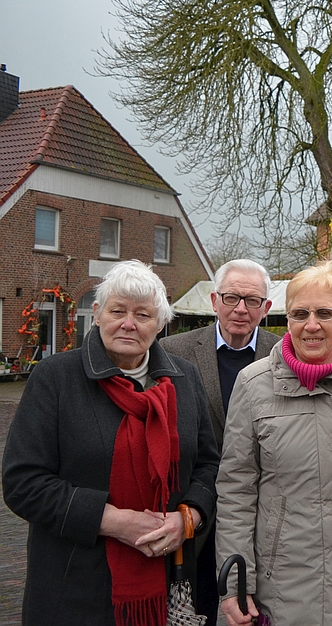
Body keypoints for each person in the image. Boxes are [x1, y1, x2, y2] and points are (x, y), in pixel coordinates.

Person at [2, 260, 219, 626]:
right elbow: (23, 483)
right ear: (99, 314)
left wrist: (188, 517)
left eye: (143, 314)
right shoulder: (55, 378)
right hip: (74, 584)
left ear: (160, 324)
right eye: (118, 310)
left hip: (167, 579)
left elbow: (209, 466)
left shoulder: (184, 379)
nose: (129, 323)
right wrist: (114, 521)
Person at [216, 259, 332, 625]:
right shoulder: (254, 385)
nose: (311, 325)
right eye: (300, 313)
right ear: (287, 321)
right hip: (283, 585)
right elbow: (236, 490)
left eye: (324, 313)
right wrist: (236, 581)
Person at [161, 258, 279, 622]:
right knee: (194, 607)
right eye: (231, 298)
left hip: (259, 510)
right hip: (194, 506)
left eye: (252, 300)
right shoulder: (173, 352)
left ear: (267, 308)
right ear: (214, 301)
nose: (241, 309)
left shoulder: (283, 355)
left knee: (252, 608)